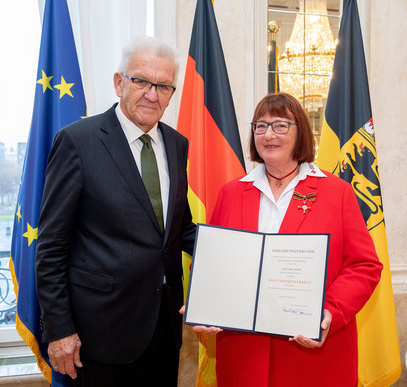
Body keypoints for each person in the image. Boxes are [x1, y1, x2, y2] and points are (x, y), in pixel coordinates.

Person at [35, 36, 196, 386]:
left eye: (164, 86)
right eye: (141, 81)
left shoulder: (177, 144)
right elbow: (50, 248)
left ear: (172, 93)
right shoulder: (78, 141)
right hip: (99, 337)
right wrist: (60, 329)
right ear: (119, 82)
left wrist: (246, 253)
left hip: (164, 330)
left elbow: (180, 229)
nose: (152, 94)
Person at [193, 92, 383, 386]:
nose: (269, 134)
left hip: (312, 357)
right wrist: (203, 300)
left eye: (280, 125)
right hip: (244, 358)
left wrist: (330, 311)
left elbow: (364, 266)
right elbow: (212, 262)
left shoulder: (337, 193)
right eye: (261, 126)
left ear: (301, 133)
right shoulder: (231, 193)